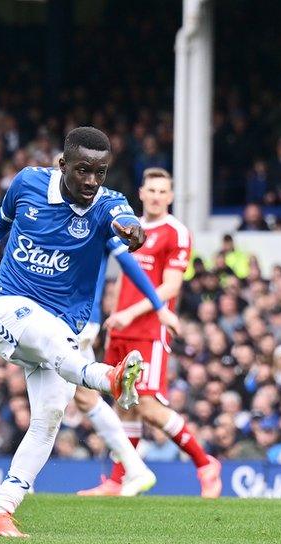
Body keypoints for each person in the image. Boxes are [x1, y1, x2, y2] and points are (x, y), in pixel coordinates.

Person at [0, 127, 150, 538]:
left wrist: (134, 231)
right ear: (62, 164)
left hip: (56, 330)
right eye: (83, 170)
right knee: (54, 339)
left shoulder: (107, 204)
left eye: (100, 172)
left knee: (48, 417)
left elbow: (128, 221)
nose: (91, 181)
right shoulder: (28, 183)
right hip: (8, 311)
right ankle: (110, 378)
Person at [76, 167, 222, 498]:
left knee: (146, 405)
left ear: (170, 197)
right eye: (151, 190)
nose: (156, 196)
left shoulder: (176, 233)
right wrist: (114, 314)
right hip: (121, 328)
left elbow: (170, 286)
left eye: (162, 191)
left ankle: (204, 463)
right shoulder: (128, 227)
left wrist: (129, 313)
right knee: (123, 404)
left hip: (149, 331)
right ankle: (117, 480)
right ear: (141, 193)